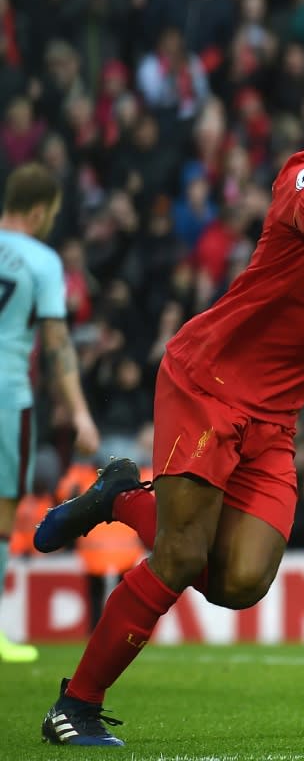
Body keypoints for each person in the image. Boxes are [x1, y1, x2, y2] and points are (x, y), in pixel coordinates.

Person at [34, 88, 304, 746]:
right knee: (181, 555)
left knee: (240, 582)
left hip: (276, 412)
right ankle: (75, 706)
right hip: (209, 382)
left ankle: (121, 500)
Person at [0, 162, 100, 663]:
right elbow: (57, 343)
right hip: (7, 392)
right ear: (39, 212)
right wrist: (80, 413)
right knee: (2, 507)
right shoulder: (41, 260)